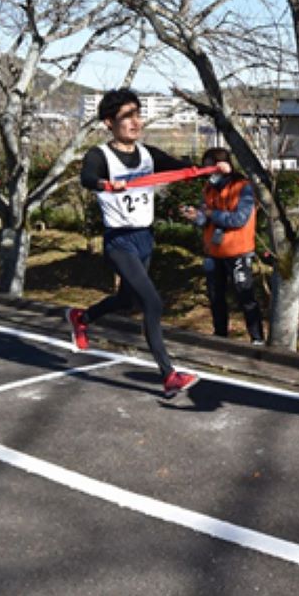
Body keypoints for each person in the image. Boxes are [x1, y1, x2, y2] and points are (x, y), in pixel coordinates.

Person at [65, 88, 227, 398]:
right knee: (152, 303)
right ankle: (168, 375)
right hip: (119, 241)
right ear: (108, 123)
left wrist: (214, 167)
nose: (135, 122)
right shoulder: (100, 155)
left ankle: (81, 318)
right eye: (127, 117)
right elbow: (87, 178)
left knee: (128, 301)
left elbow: (182, 167)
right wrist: (107, 184)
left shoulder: (148, 154)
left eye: (138, 115)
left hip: (145, 238)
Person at [180, 147, 265, 345]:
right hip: (213, 250)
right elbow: (205, 219)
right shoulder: (208, 189)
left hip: (237, 250)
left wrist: (210, 214)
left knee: (245, 295)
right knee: (215, 296)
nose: (209, 173)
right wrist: (196, 216)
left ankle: (257, 338)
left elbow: (238, 219)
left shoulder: (243, 187)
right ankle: (220, 336)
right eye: (206, 169)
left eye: (212, 168)